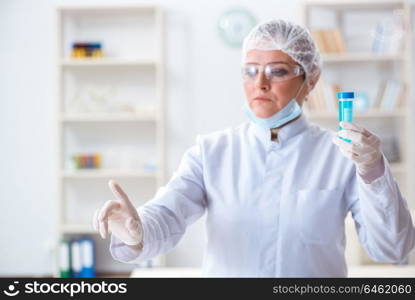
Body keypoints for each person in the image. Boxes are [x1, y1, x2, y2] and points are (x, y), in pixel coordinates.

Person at [93, 19, 415, 277]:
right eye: (250, 71)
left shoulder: (341, 155)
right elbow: (167, 214)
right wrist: (136, 233)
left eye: (277, 71)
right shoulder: (211, 152)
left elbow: (392, 249)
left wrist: (373, 171)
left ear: (311, 80)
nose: (260, 83)